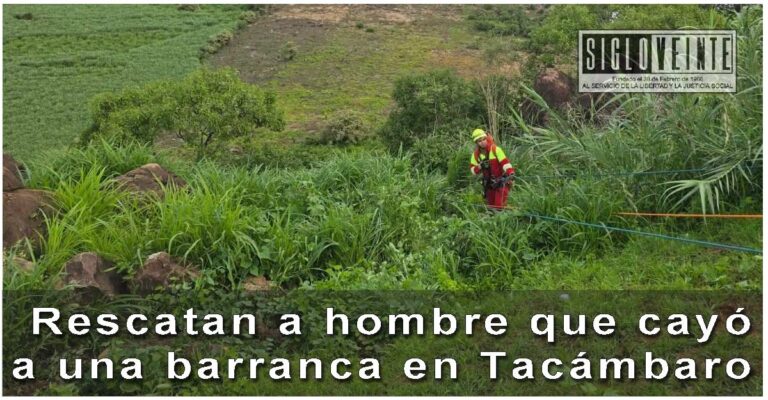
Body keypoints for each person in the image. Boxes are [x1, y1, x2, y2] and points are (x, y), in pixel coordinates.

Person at [469, 128, 515, 210]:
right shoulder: (475, 155)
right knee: (491, 207)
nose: (482, 142)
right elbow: (472, 170)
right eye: (479, 141)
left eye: (484, 139)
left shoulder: (495, 149)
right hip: (488, 184)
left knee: (499, 207)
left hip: (501, 182)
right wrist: (479, 166)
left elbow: (505, 163)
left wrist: (510, 172)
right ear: (476, 143)